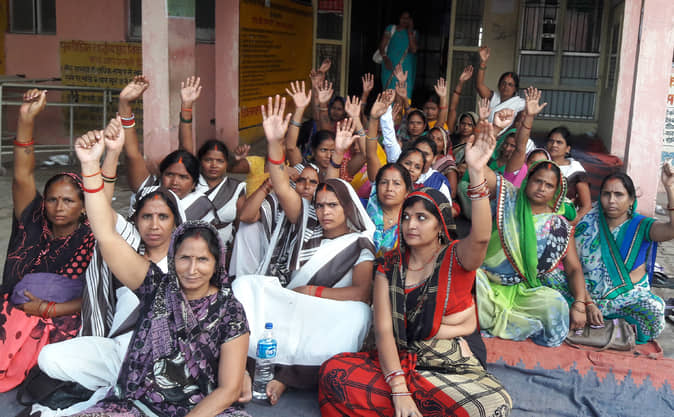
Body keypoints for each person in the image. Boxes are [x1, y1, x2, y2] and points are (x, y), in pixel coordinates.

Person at [318, 120, 512, 417]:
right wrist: (399, 391)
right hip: (397, 364)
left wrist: (475, 172)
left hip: (446, 365)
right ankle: (414, 405)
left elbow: (482, 236)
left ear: (440, 225)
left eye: (422, 218)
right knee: (334, 374)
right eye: (406, 216)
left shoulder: (455, 258)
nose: (410, 224)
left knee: (493, 403)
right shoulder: (388, 266)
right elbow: (385, 331)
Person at [73, 131, 250, 416]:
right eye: (184, 258)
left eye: (202, 260)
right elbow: (105, 233)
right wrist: (91, 165)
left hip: (201, 409)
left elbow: (228, 390)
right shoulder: (157, 287)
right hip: (139, 405)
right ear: (172, 258)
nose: (192, 269)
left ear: (217, 263)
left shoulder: (230, 310)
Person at [33, 121, 185, 416]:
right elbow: (99, 214)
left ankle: (122, 392)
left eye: (163, 217)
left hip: (165, 359)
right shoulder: (128, 246)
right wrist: (107, 156)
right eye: (147, 217)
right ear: (135, 220)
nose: (154, 225)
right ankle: (122, 389)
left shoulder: (187, 259)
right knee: (49, 358)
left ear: (176, 222)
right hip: (118, 351)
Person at [232, 96, 375, 405]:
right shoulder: (306, 220)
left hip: (326, 310)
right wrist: (274, 143)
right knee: (244, 287)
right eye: (320, 206)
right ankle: (245, 368)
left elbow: (361, 293)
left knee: (358, 315)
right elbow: (281, 184)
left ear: (347, 207)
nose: (324, 212)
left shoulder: (360, 243)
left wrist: (313, 293)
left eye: (332, 206)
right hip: (291, 300)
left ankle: (285, 377)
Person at [0, 89, 95, 392]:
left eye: (68, 201)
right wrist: (26, 120)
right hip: (11, 309)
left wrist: (47, 309)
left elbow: (96, 295)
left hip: (60, 318)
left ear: (83, 207)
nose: (58, 207)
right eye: (52, 199)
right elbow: (21, 176)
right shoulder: (32, 220)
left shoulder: (91, 238)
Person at [546, 169, 674, 343]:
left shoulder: (642, 226)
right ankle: (602, 321)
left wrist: (670, 188)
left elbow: (671, 230)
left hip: (624, 299)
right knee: (548, 278)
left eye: (619, 195)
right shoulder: (587, 224)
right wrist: (586, 303)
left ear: (631, 200)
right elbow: (574, 267)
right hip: (584, 293)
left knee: (655, 310)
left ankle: (591, 319)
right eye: (606, 194)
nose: (611, 200)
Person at [475, 160, 589, 347]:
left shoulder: (557, 226)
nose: (542, 188)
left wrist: (580, 304)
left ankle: (492, 316)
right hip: (486, 279)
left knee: (556, 304)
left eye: (549, 185)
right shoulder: (509, 198)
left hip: (522, 290)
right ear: (527, 181)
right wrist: (478, 157)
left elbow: (574, 268)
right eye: (538, 181)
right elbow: (483, 172)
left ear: (556, 192)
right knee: (472, 281)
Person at [177, 76, 246, 248]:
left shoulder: (236, 188)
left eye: (219, 161)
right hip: (188, 246)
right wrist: (186, 107)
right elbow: (185, 146)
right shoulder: (191, 181)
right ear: (200, 161)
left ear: (227, 164)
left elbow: (240, 226)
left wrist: (233, 252)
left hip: (223, 248)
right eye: (208, 160)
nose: (214, 165)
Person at [545, 126, 592, 225]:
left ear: (567, 149)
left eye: (559, 142)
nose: (554, 145)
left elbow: (586, 206)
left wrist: (569, 224)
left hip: (565, 223)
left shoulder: (575, 170)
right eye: (551, 141)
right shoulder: (540, 164)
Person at [475, 45, 525, 128]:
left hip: (507, 136)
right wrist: (483, 62)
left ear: (515, 88)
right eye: (503, 83)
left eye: (510, 84)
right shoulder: (494, 97)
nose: (506, 86)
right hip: (489, 134)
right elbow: (479, 85)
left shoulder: (520, 103)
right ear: (499, 85)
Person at [378, 10, 418, 97]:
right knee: (389, 93)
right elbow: (382, 47)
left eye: (408, 18)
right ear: (399, 18)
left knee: (404, 93)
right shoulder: (391, 29)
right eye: (403, 18)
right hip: (390, 66)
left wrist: (410, 31)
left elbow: (414, 49)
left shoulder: (414, 33)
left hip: (406, 69)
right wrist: (385, 58)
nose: (405, 20)